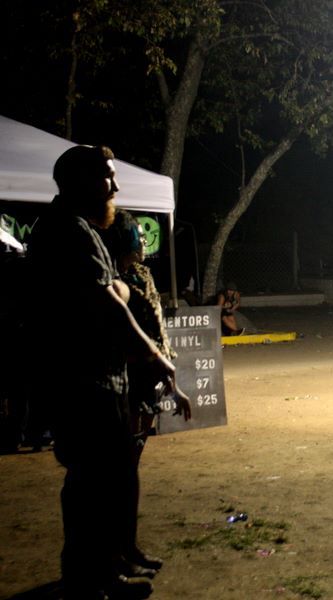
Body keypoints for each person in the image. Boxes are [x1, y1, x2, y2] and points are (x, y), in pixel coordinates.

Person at [27, 145, 180, 600]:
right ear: (80, 181)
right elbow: (107, 301)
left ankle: (100, 572)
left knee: (99, 480)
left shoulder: (74, 228)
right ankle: (92, 581)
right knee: (94, 482)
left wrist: (116, 290)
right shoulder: (68, 230)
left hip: (93, 378)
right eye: (106, 177)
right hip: (84, 382)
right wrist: (153, 355)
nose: (115, 187)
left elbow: (111, 290)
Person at [101, 209, 192, 580]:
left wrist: (171, 383)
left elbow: (158, 335)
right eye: (136, 234)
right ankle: (114, 555)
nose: (142, 240)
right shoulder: (111, 279)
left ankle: (128, 546)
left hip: (146, 378)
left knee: (130, 470)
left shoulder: (141, 276)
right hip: (124, 379)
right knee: (117, 474)